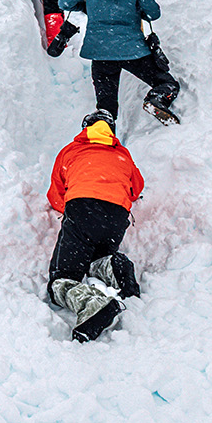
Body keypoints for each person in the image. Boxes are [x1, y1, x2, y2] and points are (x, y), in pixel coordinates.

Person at [45, 112, 144, 342]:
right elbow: (136, 187)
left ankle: (92, 304)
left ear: (85, 129)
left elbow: (56, 194)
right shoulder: (122, 154)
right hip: (117, 216)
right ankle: (115, 267)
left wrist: (69, 211)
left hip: (82, 207)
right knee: (95, 259)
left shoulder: (71, 150)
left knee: (61, 279)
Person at [59, 0, 182, 124]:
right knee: (167, 83)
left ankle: (106, 143)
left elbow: (64, 2)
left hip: (101, 53)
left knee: (105, 110)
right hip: (133, 51)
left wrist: (87, 7)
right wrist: (135, 10)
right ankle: (156, 99)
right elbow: (153, 13)